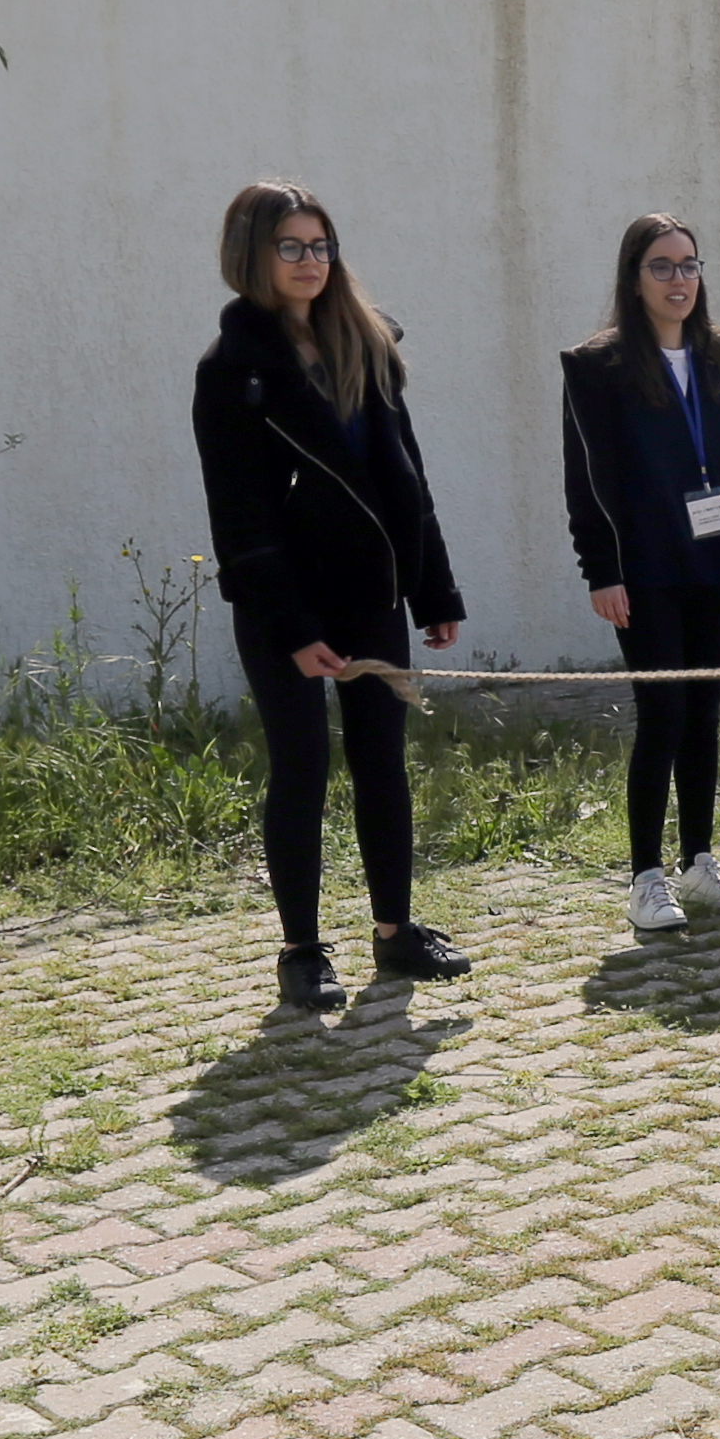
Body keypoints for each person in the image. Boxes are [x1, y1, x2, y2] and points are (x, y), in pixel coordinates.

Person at [192, 181, 473, 1009]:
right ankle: (302, 952)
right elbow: (239, 517)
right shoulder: (231, 371)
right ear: (253, 254)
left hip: (373, 594)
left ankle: (396, 935)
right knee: (303, 767)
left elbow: (407, 480)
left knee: (382, 760)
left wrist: (435, 589)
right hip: (286, 608)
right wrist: (293, 627)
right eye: (292, 247)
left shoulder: (368, 345)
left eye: (321, 246)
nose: (312, 261)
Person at [563, 214, 720, 937]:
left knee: (703, 715)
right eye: (662, 266)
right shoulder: (597, 367)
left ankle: (699, 859)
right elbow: (585, 478)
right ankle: (645, 878)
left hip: (714, 560)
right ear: (634, 278)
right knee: (662, 715)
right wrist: (601, 569)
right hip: (644, 567)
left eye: (689, 264)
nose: (679, 279)